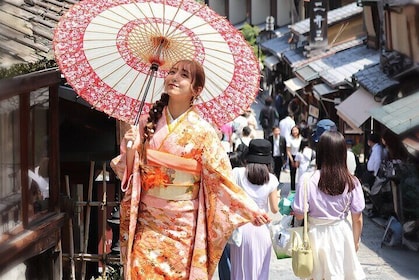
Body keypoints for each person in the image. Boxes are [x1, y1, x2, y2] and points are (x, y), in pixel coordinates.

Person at [110, 59, 271, 279]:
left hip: (183, 227)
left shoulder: (203, 131)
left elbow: (221, 179)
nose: (174, 77)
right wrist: (132, 149)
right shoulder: (145, 123)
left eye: (184, 75)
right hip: (148, 224)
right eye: (172, 72)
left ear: (197, 90)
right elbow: (129, 173)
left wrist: (249, 208)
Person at [292, 131, 366, 280]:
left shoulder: (307, 179)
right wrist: (355, 241)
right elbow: (357, 218)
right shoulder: (352, 182)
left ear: (320, 152)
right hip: (341, 234)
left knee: (315, 275)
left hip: (314, 235)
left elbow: (300, 214)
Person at [230, 139, 279, 280]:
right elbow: (275, 209)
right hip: (262, 228)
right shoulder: (272, 179)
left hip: (242, 229)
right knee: (260, 272)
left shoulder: (237, 173)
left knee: (239, 271)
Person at [287, 125, 302, 191]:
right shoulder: (289, 139)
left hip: (300, 156)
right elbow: (288, 150)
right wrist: (292, 160)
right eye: (293, 130)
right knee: (293, 174)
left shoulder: (301, 138)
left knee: (301, 173)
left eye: (296, 130)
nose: (295, 131)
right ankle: (292, 189)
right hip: (292, 156)